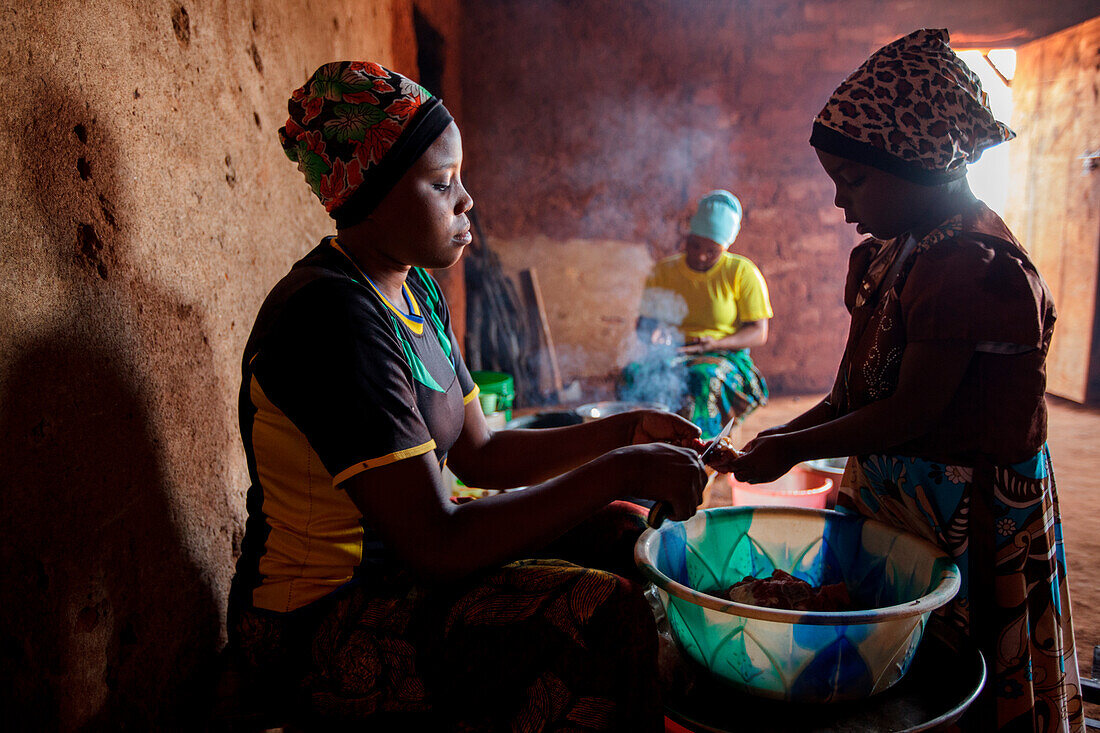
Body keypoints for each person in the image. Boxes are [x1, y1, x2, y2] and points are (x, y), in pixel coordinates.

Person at [223, 61, 709, 731]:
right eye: (442, 183)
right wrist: (624, 467)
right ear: (372, 193)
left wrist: (628, 430)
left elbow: (482, 452)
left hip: (404, 567)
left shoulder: (413, 289)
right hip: (322, 620)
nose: (467, 201)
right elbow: (437, 543)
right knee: (602, 616)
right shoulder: (332, 320)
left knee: (623, 532)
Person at [724, 29, 1083, 732]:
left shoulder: (974, 270)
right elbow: (854, 397)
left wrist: (791, 450)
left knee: (962, 671)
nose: (838, 202)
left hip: (969, 511)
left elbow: (911, 414)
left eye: (853, 181)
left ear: (924, 162)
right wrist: (779, 434)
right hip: (895, 499)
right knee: (891, 661)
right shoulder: (894, 254)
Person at [620, 190, 773, 439]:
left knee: (703, 378)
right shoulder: (663, 271)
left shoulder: (742, 272)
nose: (701, 255)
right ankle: (648, 444)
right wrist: (654, 334)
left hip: (724, 354)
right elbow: (645, 324)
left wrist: (716, 343)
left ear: (726, 247)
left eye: (712, 251)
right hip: (674, 352)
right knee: (633, 375)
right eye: (695, 245)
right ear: (687, 237)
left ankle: (701, 450)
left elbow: (758, 332)